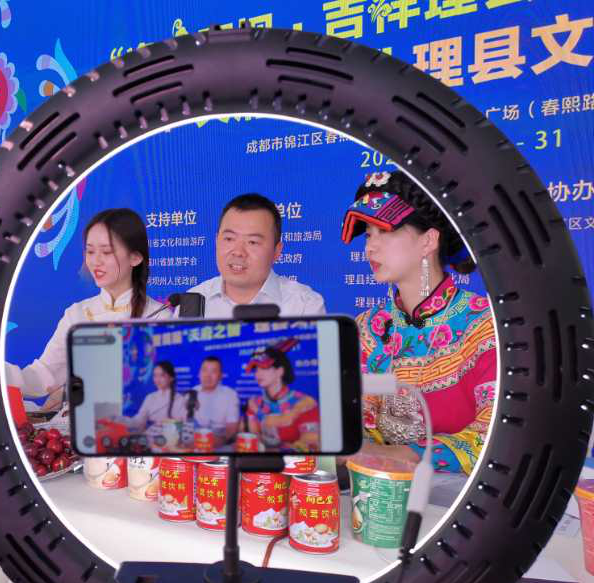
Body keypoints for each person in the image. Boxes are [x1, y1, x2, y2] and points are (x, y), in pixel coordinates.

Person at [341, 170, 496, 475]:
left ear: (428, 240)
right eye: (369, 234)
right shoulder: (367, 329)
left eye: (384, 232)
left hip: (463, 497)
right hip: (378, 491)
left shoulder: (483, 327)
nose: (370, 247)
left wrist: (398, 455)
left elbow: (493, 437)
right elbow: (356, 422)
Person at [5, 208, 167, 409]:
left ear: (135, 257)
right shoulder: (76, 314)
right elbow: (43, 376)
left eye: (106, 252)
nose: (95, 261)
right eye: (90, 251)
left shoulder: (160, 318)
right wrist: (0, 372)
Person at [186, 194, 326, 317]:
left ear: (277, 251)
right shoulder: (192, 302)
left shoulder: (304, 306)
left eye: (252, 242)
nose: (238, 252)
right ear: (217, 241)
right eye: (229, 239)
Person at [245, 344, 320, 452]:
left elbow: (310, 446)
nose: (258, 374)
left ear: (280, 371)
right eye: (256, 369)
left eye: (264, 368)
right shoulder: (254, 403)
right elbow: (254, 438)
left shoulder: (305, 403)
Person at [190, 356, 240, 446]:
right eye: (204, 370)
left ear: (220, 376)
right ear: (199, 374)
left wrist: (219, 441)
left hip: (221, 440)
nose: (208, 376)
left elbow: (232, 427)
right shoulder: (192, 392)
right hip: (195, 438)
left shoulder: (230, 394)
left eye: (213, 371)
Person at [127, 361, 188, 432]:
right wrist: (120, 419)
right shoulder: (150, 397)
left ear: (171, 378)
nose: (157, 379)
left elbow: (181, 426)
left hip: (170, 438)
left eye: (162, 375)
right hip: (150, 437)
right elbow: (139, 421)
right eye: (155, 375)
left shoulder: (180, 399)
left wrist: (160, 426)